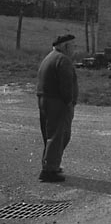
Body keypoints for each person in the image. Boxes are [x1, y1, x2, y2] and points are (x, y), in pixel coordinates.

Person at [36, 34, 78, 182]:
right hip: (57, 102)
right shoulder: (63, 60)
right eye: (73, 46)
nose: (74, 49)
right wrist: (69, 102)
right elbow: (66, 85)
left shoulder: (49, 57)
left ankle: (50, 164)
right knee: (59, 136)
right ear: (65, 46)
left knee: (50, 135)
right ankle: (49, 170)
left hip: (45, 99)